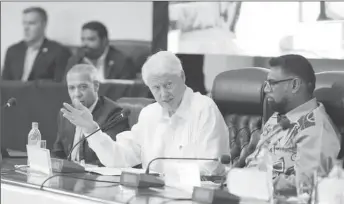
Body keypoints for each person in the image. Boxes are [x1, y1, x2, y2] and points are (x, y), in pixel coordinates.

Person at [61, 51, 230, 176]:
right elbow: (119, 158)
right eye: (156, 88)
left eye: (169, 85)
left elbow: (210, 168)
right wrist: (91, 129)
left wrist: (162, 178)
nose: (163, 94)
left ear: (183, 77)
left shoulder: (204, 108)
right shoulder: (150, 114)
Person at [245, 54, 341, 195]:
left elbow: (306, 184)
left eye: (272, 83)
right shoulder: (278, 116)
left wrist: (255, 182)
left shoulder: (316, 128)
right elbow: (255, 162)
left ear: (295, 85)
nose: (266, 90)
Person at [52, 64, 129, 166]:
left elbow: (110, 159)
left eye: (83, 87)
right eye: (71, 88)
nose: (77, 94)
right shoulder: (66, 113)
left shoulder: (114, 114)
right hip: (69, 176)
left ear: (96, 86)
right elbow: (58, 152)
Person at [2, 7, 71, 82]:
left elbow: (58, 85)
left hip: (41, 93)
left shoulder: (59, 52)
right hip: (13, 93)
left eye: (31, 23)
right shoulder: (13, 50)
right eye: (24, 23)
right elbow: (4, 83)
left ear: (44, 24)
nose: (26, 28)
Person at [64, 21, 136, 81]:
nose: (85, 44)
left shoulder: (121, 61)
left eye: (91, 39)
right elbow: (64, 88)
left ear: (104, 41)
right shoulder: (76, 60)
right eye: (83, 39)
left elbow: (126, 92)